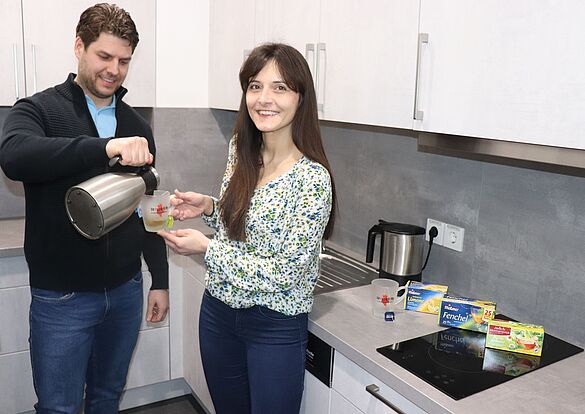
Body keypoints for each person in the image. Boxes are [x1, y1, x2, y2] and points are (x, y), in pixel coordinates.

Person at [0, 3, 169, 413]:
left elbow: (148, 208)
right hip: (63, 297)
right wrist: (104, 147)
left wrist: (159, 279)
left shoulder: (137, 126)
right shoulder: (38, 110)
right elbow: (15, 155)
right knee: (58, 407)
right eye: (104, 56)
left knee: (107, 399)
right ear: (79, 46)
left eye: (124, 61)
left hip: (126, 291)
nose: (114, 69)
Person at [158, 43, 337, 414]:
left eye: (280, 87)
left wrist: (207, 249)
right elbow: (242, 223)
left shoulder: (312, 179)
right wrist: (209, 207)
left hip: (273, 325)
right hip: (218, 313)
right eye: (255, 86)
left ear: (301, 98)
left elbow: (286, 273)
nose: (264, 98)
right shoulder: (241, 149)